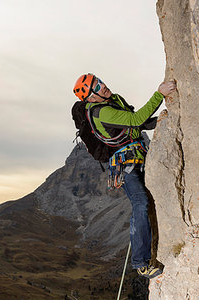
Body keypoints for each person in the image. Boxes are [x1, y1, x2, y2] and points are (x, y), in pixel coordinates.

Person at [72, 73, 176, 279]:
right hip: (125, 165)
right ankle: (140, 263)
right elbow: (136, 119)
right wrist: (159, 94)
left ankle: (143, 257)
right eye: (97, 87)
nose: (103, 86)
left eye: (100, 82)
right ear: (91, 97)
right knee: (141, 203)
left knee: (147, 202)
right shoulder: (102, 112)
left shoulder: (114, 101)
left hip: (138, 156)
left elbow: (134, 124)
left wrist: (161, 121)